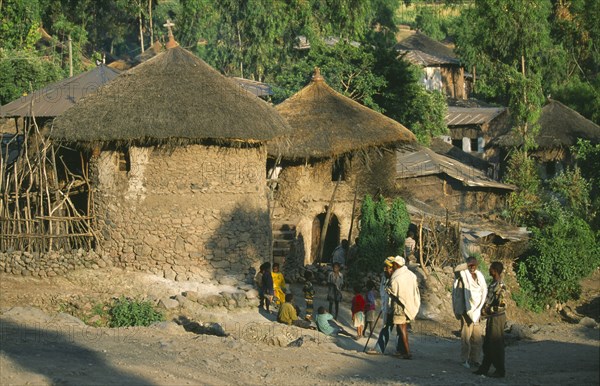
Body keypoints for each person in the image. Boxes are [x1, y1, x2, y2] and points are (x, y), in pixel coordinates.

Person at [452, 257, 488, 369]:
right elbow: (456, 269)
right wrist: (466, 264)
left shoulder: (480, 276)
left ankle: (475, 359)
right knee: (466, 337)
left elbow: (483, 292)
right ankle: (464, 359)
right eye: (470, 265)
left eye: (474, 265)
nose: (472, 267)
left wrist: (480, 309)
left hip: (476, 311)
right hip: (465, 311)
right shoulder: (462, 275)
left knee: (477, 338)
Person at [474, 262, 507, 378]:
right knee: (488, 344)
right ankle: (484, 368)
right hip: (492, 317)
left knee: (496, 344)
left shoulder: (500, 285)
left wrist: (486, 311)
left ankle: (500, 370)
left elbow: (502, 305)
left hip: (497, 318)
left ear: (495, 270)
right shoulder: (493, 284)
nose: (489, 270)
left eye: (491, 268)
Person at [388, 255, 421, 359]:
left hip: (400, 305)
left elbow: (393, 290)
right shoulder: (410, 275)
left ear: (396, 264)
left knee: (402, 328)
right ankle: (402, 350)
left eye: (393, 264)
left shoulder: (397, 277)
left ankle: (407, 352)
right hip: (408, 305)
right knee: (402, 328)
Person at [367, 256, 395, 355]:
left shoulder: (396, 278)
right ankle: (379, 348)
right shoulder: (385, 277)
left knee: (393, 327)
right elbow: (383, 292)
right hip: (386, 307)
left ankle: (402, 350)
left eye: (387, 267)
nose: (385, 269)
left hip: (395, 307)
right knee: (386, 326)